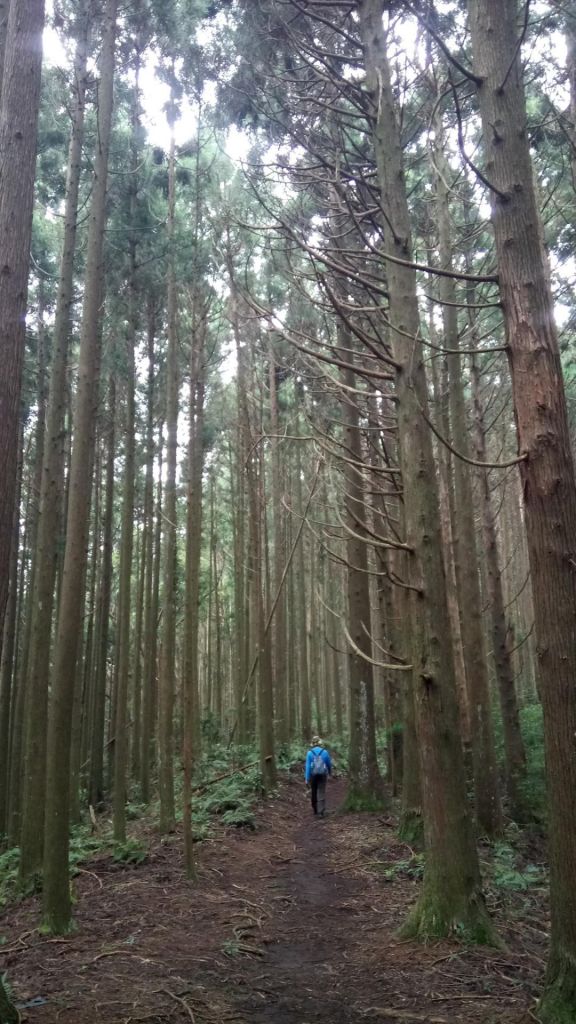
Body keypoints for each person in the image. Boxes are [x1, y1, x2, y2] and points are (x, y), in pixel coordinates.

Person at [305, 736, 332, 817]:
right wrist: (330, 773)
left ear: (313, 744)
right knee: (321, 791)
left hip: (313, 775)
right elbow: (328, 764)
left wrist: (307, 778)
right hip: (322, 775)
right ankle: (321, 811)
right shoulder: (325, 752)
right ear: (320, 743)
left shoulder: (309, 753)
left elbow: (308, 767)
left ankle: (315, 809)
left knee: (314, 791)